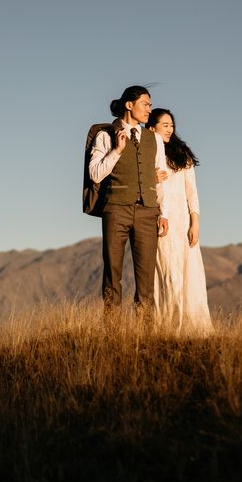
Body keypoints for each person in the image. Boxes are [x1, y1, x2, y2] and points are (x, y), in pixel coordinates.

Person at [88, 86, 169, 319]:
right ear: (129, 105)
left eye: (150, 105)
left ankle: (145, 332)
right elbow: (95, 174)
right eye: (145, 104)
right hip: (116, 209)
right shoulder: (105, 135)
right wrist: (117, 150)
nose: (149, 110)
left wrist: (163, 213)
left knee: (146, 277)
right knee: (112, 272)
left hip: (148, 212)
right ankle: (113, 330)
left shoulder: (155, 139)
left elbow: (160, 178)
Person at [145, 108, 213, 335]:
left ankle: (193, 328)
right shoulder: (145, 154)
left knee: (188, 272)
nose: (169, 129)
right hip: (159, 222)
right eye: (164, 125)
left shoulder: (182, 154)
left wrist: (195, 223)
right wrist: (149, 177)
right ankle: (167, 327)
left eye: (171, 125)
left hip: (182, 221)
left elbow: (192, 192)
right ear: (151, 128)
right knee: (167, 271)